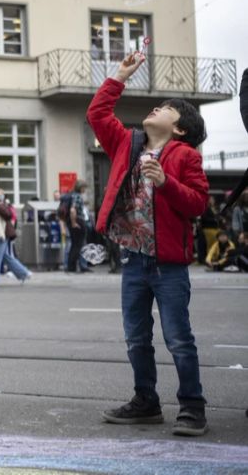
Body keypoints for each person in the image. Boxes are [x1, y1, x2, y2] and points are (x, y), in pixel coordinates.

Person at [90, 52, 210, 437]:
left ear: (179, 129)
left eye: (167, 108)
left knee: (178, 339)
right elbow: (98, 114)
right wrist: (120, 76)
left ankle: (192, 406)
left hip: (169, 265)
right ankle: (146, 401)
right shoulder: (128, 145)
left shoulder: (186, 155)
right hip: (135, 261)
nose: (157, 108)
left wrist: (165, 182)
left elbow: (198, 203)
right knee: (136, 337)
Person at [0, 188, 32, 286]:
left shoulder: (1, 205)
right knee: (6, 257)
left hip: (2, 235)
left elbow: (9, 215)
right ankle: (24, 273)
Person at [65, 180, 91, 273]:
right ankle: (71, 267)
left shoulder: (72, 195)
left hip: (74, 221)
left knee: (74, 245)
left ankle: (71, 267)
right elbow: (73, 210)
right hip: (78, 221)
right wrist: (74, 222)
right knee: (77, 245)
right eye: (84, 187)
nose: (85, 190)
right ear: (81, 187)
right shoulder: (78, 196)